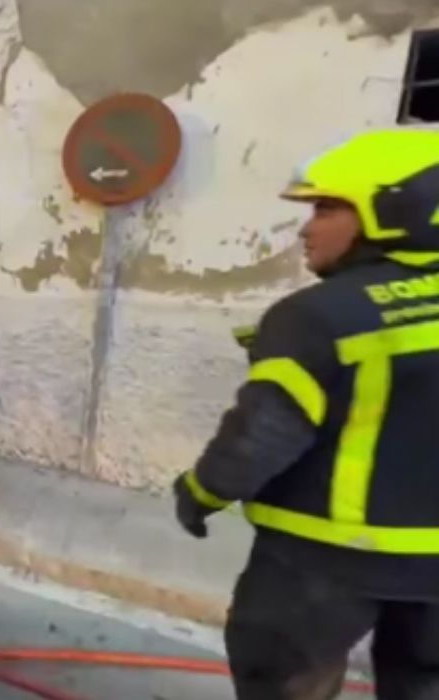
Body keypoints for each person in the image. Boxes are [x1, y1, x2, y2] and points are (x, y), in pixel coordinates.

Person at [173, 128, 439, 699]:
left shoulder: (319, 315)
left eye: (324, 207)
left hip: (320, 565)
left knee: (286, 683)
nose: (306, 227)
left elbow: (262, 435)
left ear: (395, 209)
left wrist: (199, 493)